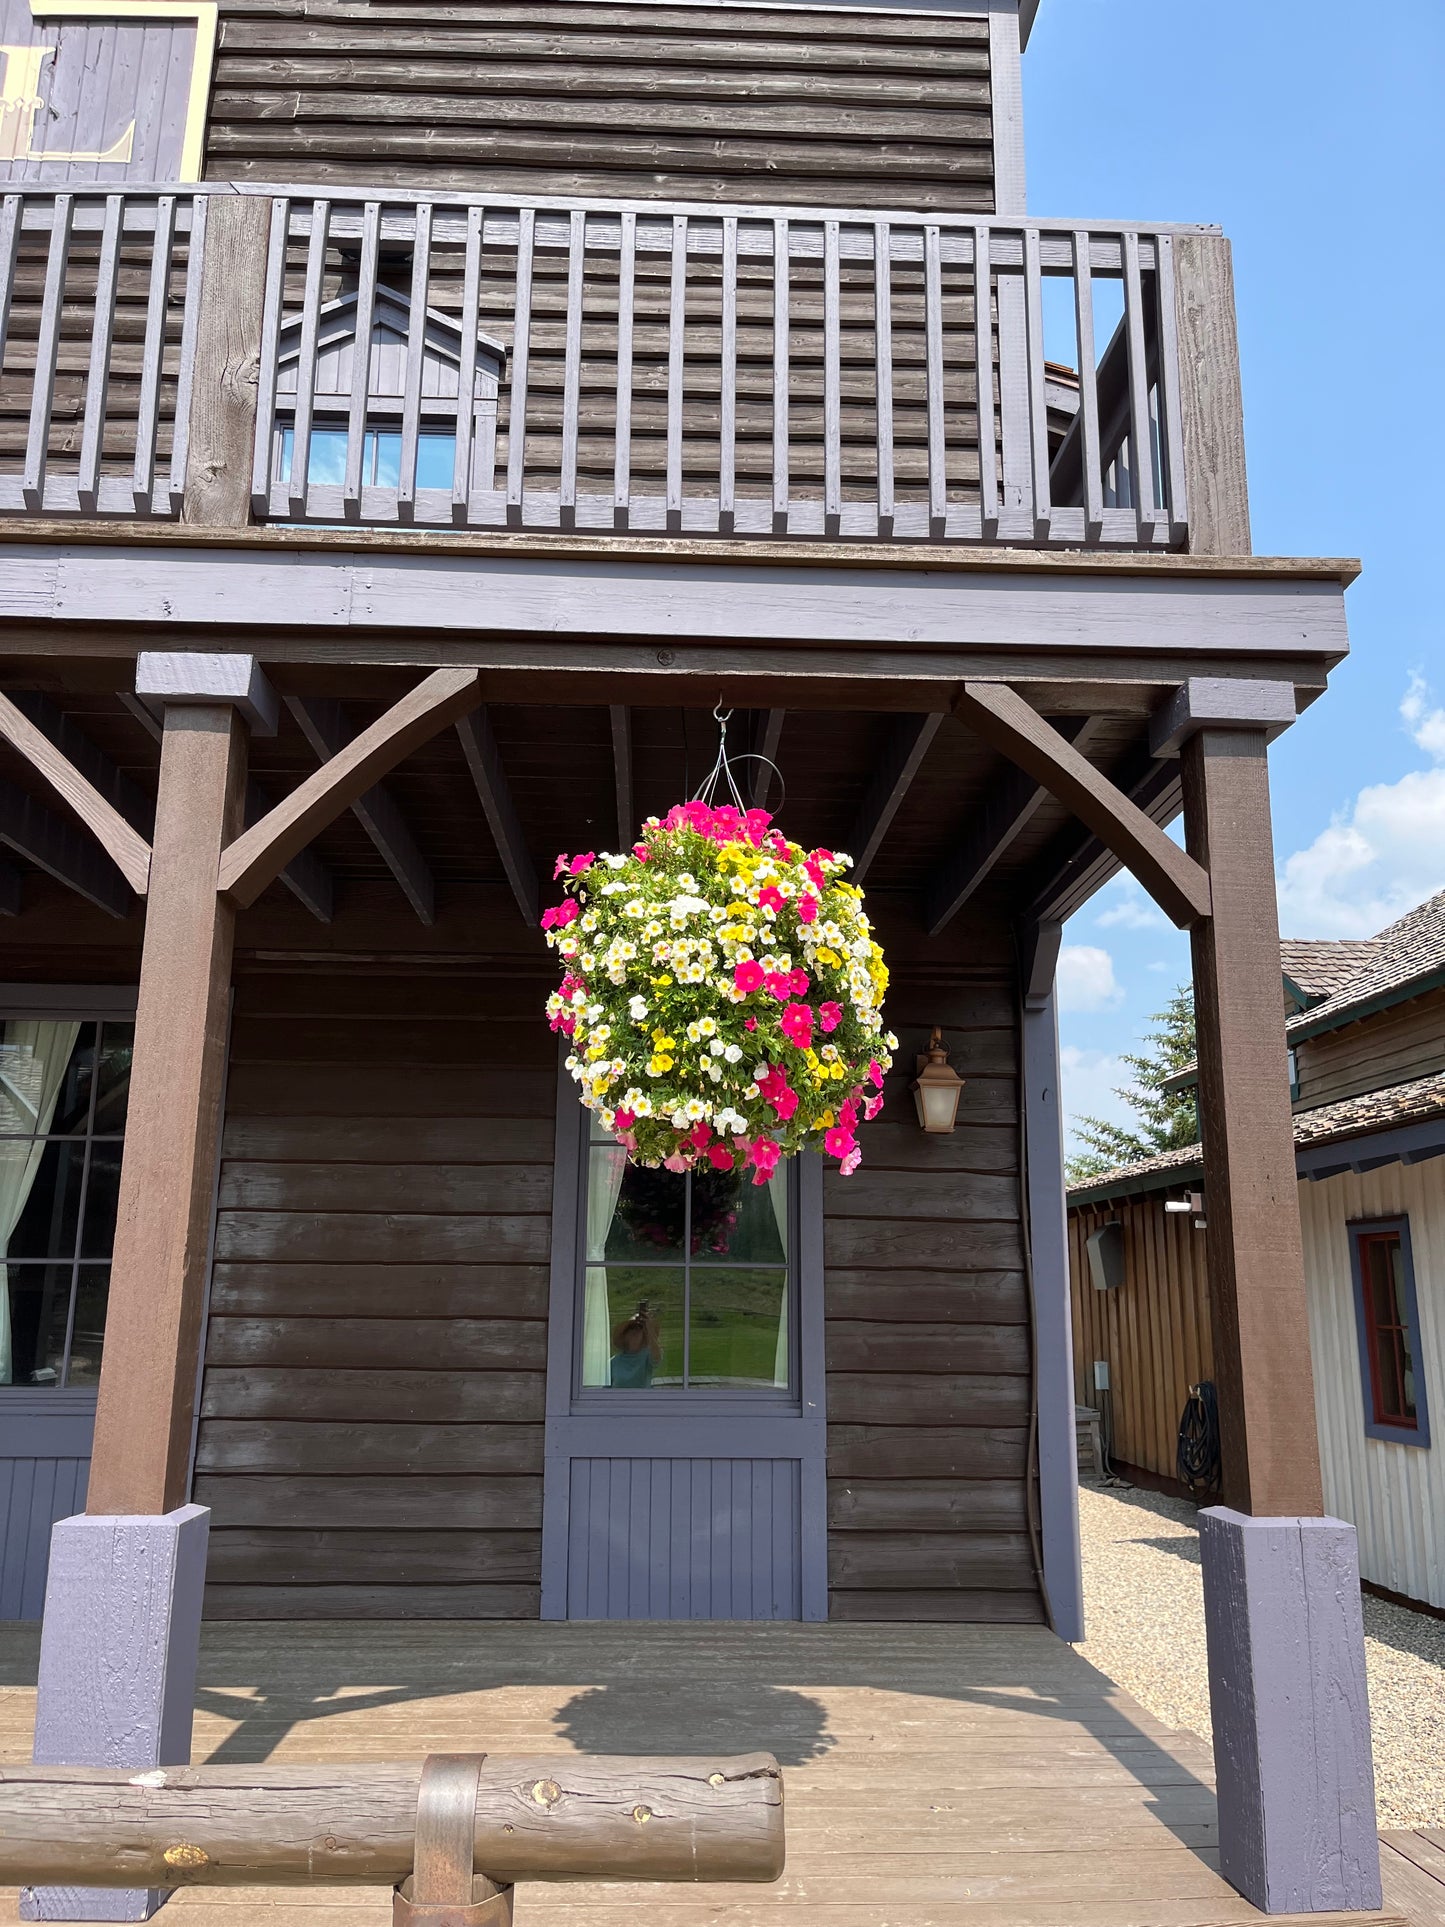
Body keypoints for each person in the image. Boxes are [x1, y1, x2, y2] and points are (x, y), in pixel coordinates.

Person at [609, 1303, 661, 1389]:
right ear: (624, 1334)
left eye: (640, 1327)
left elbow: (657, 1358)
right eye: (632, 1327)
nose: (636, 1330)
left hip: (642, 1401)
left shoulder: (647, 1357)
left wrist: (649, 1328)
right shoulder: (613, 1362)